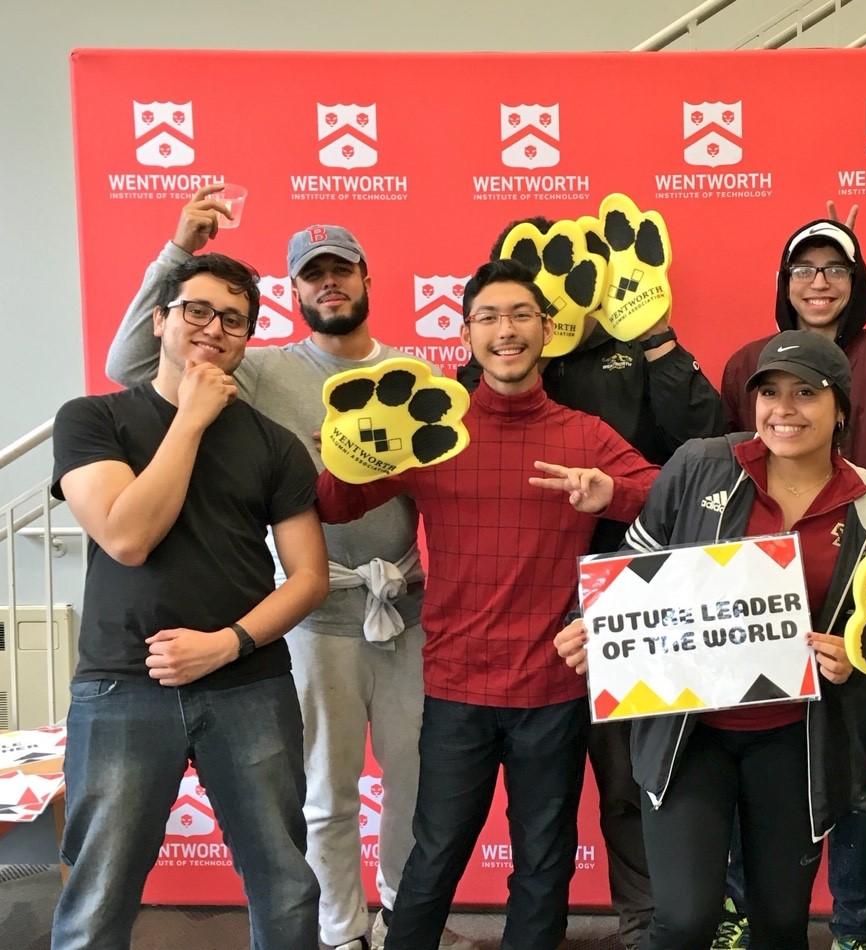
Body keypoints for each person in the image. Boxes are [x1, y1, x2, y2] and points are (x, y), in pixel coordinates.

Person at [104, 186, 447, 950]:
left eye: (342, 270)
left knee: (414, 784)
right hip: (312, 613)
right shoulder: (257, 370)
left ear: (365, 279)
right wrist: (177, 251)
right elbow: (130, 359)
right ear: (292, 293)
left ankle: (403, 922)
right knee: (324, 793)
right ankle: (339, 930)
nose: (329, 283)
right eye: (312, 274)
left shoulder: (416, 371)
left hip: (406, 608)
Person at [315, 259, 660, 950]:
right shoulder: (432, 428)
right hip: (455, 687)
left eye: (521, 315)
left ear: (548, 329)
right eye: (490, 318)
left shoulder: (584, 434)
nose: (507, 331)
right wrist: (351, 445)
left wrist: (610, 493)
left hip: (553, 689)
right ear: (467, 333)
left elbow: (664, 493)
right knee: (435, 855)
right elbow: (334, 502)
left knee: (543, 862)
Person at [557, 330, 866, 949]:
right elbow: (635, 563)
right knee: (686, 921)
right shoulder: (700, 464)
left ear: (841, 409)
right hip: (692, 736)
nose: (784, 409)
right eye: (769, 393)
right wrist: (594, 626)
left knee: (778, 925)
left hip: (794, 740)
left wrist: (857, 656)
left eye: (807, 393)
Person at [456, 214, 725, 949]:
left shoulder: (631, 343)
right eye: (525, 266)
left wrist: (655, 337)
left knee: (627, 778)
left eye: (562, 264)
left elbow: (707, 441)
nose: (520, 314)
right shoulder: (491, 363)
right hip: (523, 603)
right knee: (523, 796)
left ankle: (646, 924)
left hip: (630, 590)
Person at [50, 252, 329, 949]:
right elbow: (127, 535)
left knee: (285, 886)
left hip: (248, 685)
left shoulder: (276, 447)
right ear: (160, 320)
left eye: (233, 319)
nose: (213, 328)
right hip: (120, 686)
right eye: (196, 310)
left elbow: (307, 578)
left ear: (246, 339)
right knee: (97, 897)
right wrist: (192, 419)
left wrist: (228, 643)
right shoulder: (93, 420)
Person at [720, 219, 866, 950]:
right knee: (740, 775)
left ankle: (855, 927)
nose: (819, 282)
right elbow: (723, 471)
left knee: (851, 782)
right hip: (752, 611)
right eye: (803, 269)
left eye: (834, 269)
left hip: (860, 615)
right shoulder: (744, 364)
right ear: (785, 283)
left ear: (858, 282)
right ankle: (735, 915)